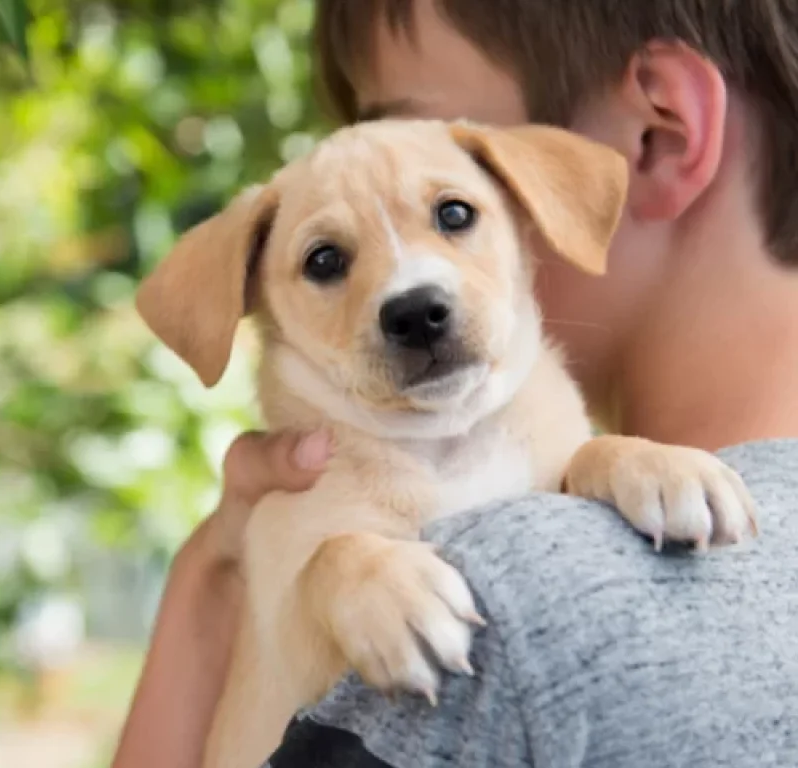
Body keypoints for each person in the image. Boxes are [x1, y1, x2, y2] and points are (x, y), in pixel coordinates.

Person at [111, 0, 798, 766]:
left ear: (660, 134)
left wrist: (608, 460)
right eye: (327, 262)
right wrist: (270, 568)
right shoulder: (302, 521)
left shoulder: (525, 618)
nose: (411, 290)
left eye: (452, 213)